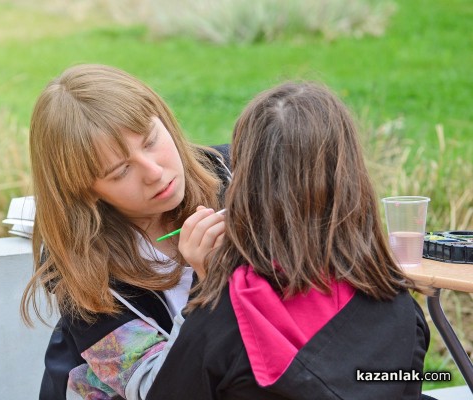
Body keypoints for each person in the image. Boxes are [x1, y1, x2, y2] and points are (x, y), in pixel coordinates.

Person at [146, 81, 431, 400]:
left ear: (240, 186)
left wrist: (205, 290)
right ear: (353, 183)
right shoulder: (399, 308)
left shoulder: (218, 324)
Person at [20, 64, 231, 400]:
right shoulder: (81, 272)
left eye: (150, 140)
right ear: (85, 191)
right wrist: (208, 284)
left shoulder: (237, 175)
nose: (153, 172)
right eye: (120, 171)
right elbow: (160, 389)